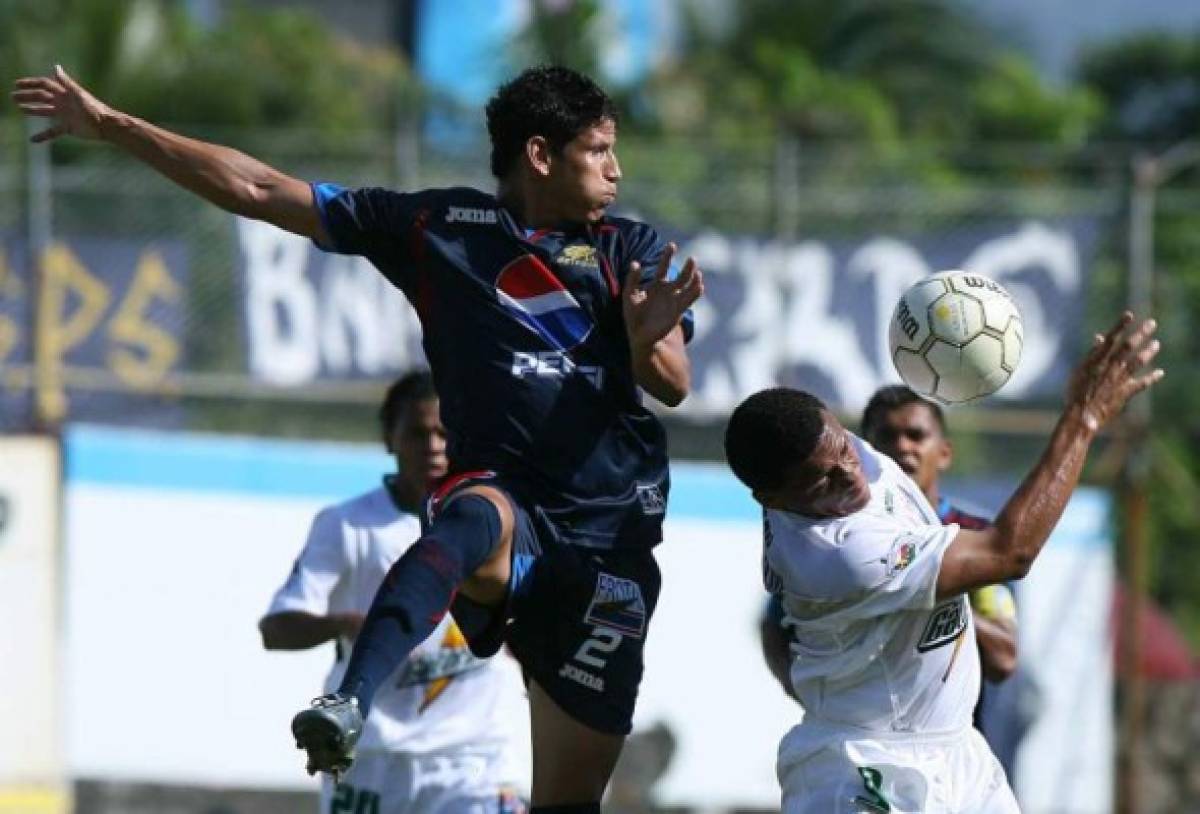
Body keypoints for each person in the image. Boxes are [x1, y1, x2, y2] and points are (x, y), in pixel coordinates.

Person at [14, 64, 703, 813]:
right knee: (473, 513)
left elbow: (672, 383)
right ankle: (347, 700)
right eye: (599, 149)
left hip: (609, 543)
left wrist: (644, 339)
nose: (616, 168)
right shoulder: (437, 228)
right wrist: (116, 126)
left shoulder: (629, 248)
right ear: (541, 155)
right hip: (509, 508)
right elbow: (260, 190)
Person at [724, 313, 1161, 813]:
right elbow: (1009, 553)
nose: (851, 475)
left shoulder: (838, 454)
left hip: (957, 752)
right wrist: (1083, 419)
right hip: (870, 765)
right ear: (772, 498)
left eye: (845, 447)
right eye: (821, 481)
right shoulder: (839, 556)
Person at [259, 371, 529, 814]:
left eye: (445, 433)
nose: (434, 446)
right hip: (376, 760)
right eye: (419, 433)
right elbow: (277, 628)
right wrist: (350, 625)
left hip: (474, 760)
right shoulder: (347, 525)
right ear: (390, 438)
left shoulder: (496, 521)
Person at [758, 387, 1019, 705]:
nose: (902, 446)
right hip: (863, 735)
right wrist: (803, 694)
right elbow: (775, 626)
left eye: (916, 435)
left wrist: (928, 582)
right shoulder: (837, 539)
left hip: (953, 740)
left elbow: (1003, 659)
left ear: (945, 453)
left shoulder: (973, 535)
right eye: (887, 437)